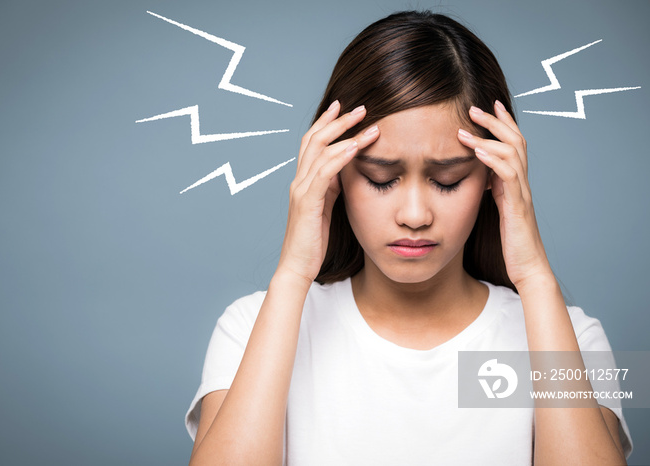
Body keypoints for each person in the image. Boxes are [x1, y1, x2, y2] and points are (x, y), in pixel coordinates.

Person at [185, 10, 633, 465]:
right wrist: (293, 274)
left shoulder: (571, 337)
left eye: (449, 179)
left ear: (494, 179)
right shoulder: (250, 330)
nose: (415, 216)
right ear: (332, 173)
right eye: (381, 179)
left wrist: (535, 277)